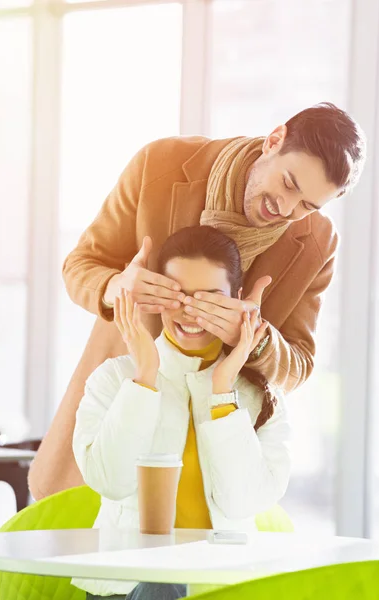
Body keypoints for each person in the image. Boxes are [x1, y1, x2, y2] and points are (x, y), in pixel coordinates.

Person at [28, 102, 366, 500]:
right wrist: (116, 285)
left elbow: (298, 366)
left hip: (212, 459)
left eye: (308, 205)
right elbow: (80, 265)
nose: (287, 209)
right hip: (120, 415)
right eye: (289, 184)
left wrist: (254, 338)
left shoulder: (317, 243)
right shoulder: (161, 165)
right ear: (274, 141)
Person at [71, 226, 291, 600]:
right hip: (126, 588)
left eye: (210, 299)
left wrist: (222, 394)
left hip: (223, 586)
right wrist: (144, 378)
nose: (192, 311)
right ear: (157, 295)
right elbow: (110, 480)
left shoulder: (259, 397)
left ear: (237, 300)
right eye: (179, 296)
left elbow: (240, 504)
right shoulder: (114, 378)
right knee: (162, 583)